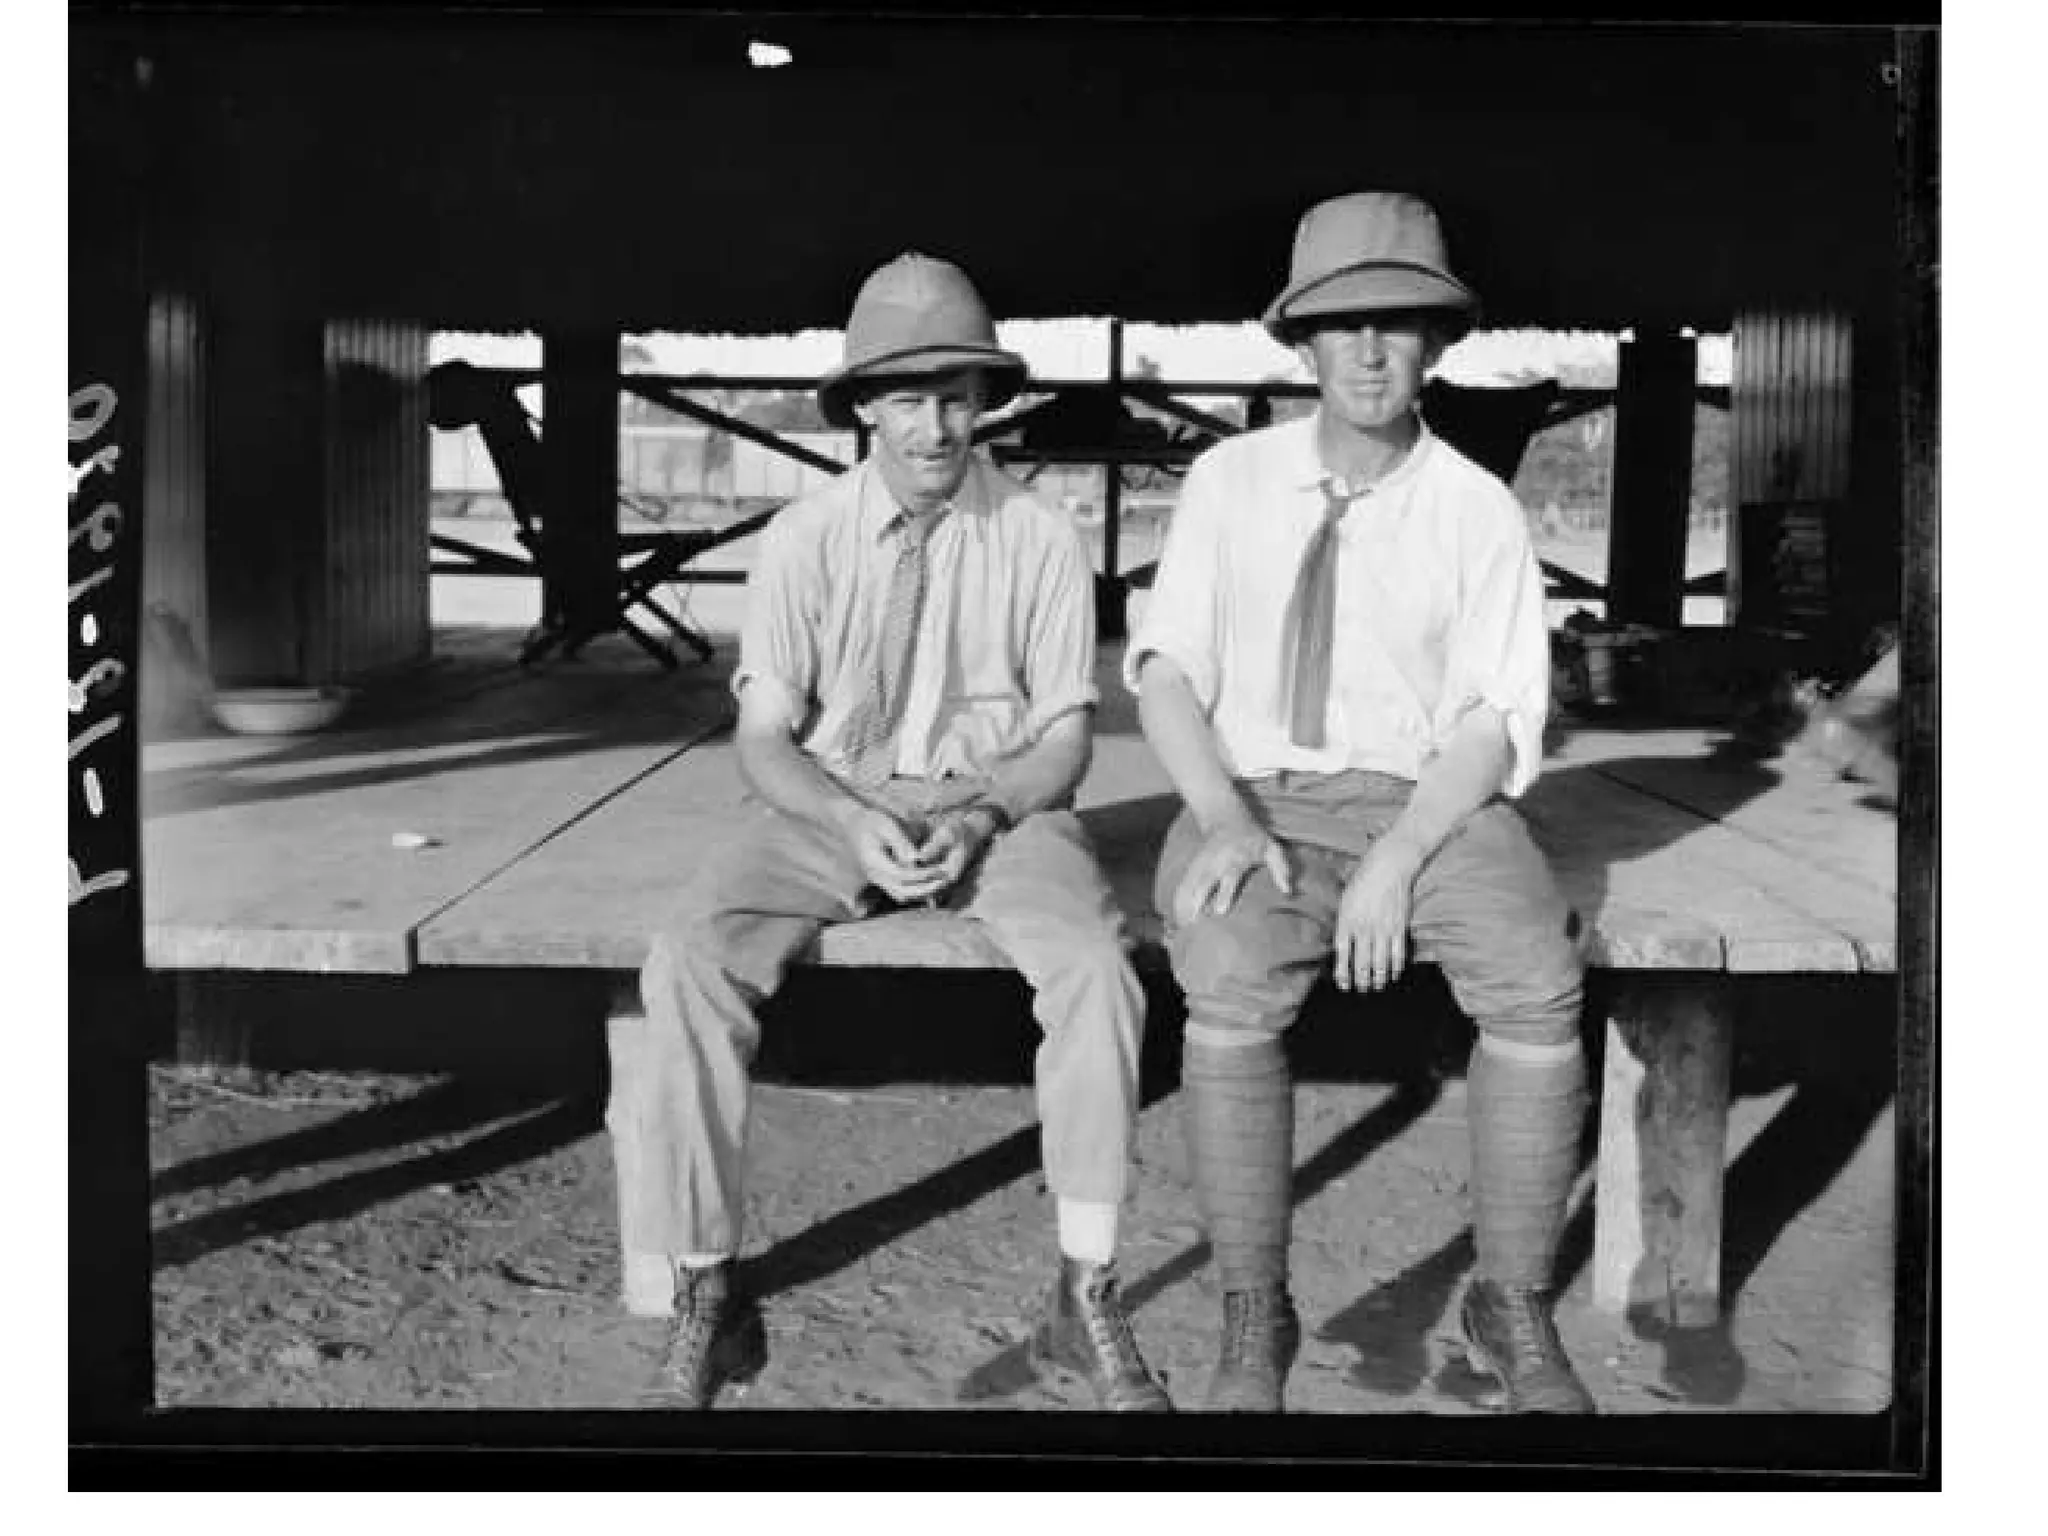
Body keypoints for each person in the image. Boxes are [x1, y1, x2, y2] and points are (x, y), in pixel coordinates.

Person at [635, 253, 1170, 1412]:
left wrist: (982, 811)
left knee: (1096, 967)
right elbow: (763, 741)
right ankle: (706, 1289)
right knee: (687, 958)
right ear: (864, 407)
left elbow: (1063, 742)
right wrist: (846, 816)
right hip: (834, 799)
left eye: (957, 397)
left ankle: (1084, 1290)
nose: (935, 427)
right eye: (908, 398)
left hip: (994, 803)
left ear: (984, 404)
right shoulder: (803, 537)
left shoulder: (1037, 534)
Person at [1128, 192, 1595, 1413]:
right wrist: (1221, 818)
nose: (1371, 351)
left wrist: (1398, 855)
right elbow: (1167, 674)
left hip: (1426, 801)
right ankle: (1252, 1307)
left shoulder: (1474, 507)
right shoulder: (1228, 481)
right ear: (1302, 342)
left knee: (1533, 973)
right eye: (1342, 326)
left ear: (1436, 341)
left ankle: (1508, 1301)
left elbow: (1489, 718)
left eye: (1396, 324)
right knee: (1224, 963)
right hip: (1255, 795)